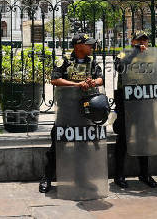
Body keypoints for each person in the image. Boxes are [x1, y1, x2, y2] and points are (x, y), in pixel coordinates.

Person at [39, 33, 103, 193]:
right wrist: (77, 84)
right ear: (78, 46)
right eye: (88, 44)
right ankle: (47, 178)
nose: (91, 47)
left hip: (85, 112)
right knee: (57, 145)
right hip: (66, 112)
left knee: (82, 147)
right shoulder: (65, 61)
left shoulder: (91, 62)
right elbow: (55, 79)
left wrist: (93, 82)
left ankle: (81, 179)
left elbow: (100, 78)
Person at [113, 30, 157, 189]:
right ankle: (119, 175)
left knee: (143, 139)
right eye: (139, 40)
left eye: (144, 40)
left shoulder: (152, 56)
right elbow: (119, 67)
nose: (142, 43)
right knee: (123, 139)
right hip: (126, 104)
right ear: (132, 42)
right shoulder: (123, 54)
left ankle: (144, 174)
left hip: (144, 104)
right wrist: (135, 53)